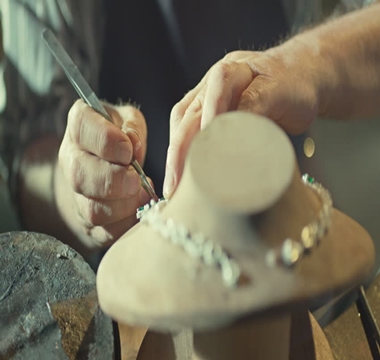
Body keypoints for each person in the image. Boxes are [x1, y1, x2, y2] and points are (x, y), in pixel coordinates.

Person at [0, 0, 379, 259]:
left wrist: (308, 61)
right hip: (142, 278)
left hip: (290, 222)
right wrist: (79, 192)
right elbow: (31, 162)